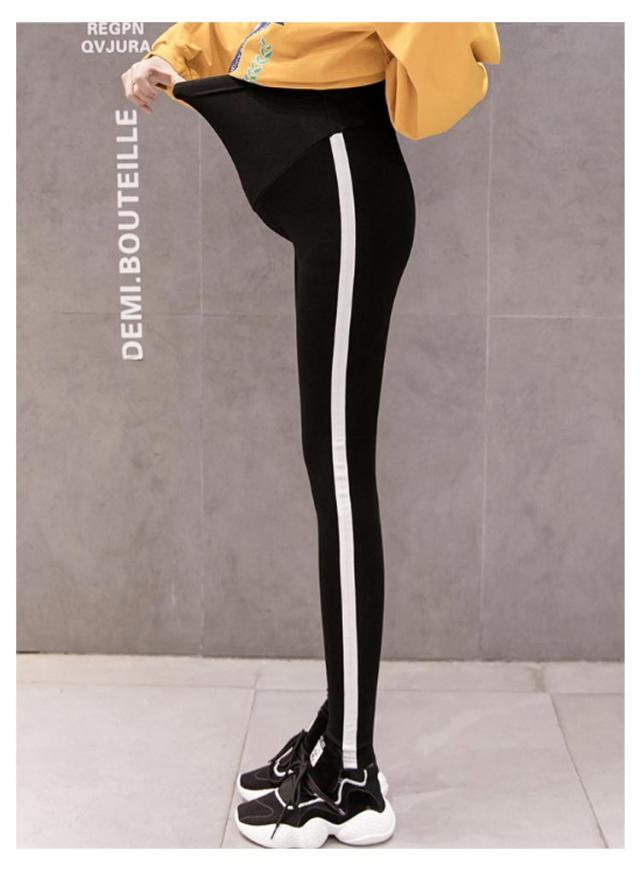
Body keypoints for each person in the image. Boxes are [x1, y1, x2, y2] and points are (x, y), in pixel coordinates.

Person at [121, 21, 500, 849]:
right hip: (328, 190)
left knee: (340, 472)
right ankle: (339, 737)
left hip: (348, 192)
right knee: (326, 465)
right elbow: (237, 24)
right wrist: (168, 55)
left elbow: (445, 75)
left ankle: (352, 779)